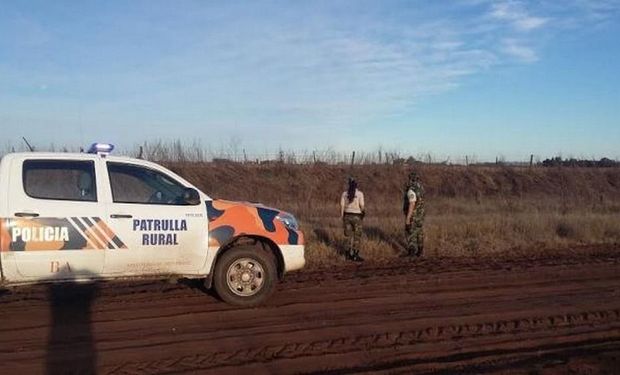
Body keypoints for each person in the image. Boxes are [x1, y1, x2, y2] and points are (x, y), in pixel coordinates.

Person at [340, 177, 365, 262]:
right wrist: (363, 213)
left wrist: (342, 216)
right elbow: (361, 206)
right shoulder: (360, 194)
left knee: (347, 236)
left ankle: (347, 255)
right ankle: (355, 255)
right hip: (357, 216)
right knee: (357, 236)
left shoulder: (344, 194)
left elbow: (342, 206)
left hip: (347, 216)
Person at [403, 171, 425, 257]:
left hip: (413, 215)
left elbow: (412, 203)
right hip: (420, 215)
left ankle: (411, 252)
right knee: (419, 232)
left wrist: (408, 218)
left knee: (411, 232)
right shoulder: (421, 188)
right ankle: (420, 251)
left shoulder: (411, 190)